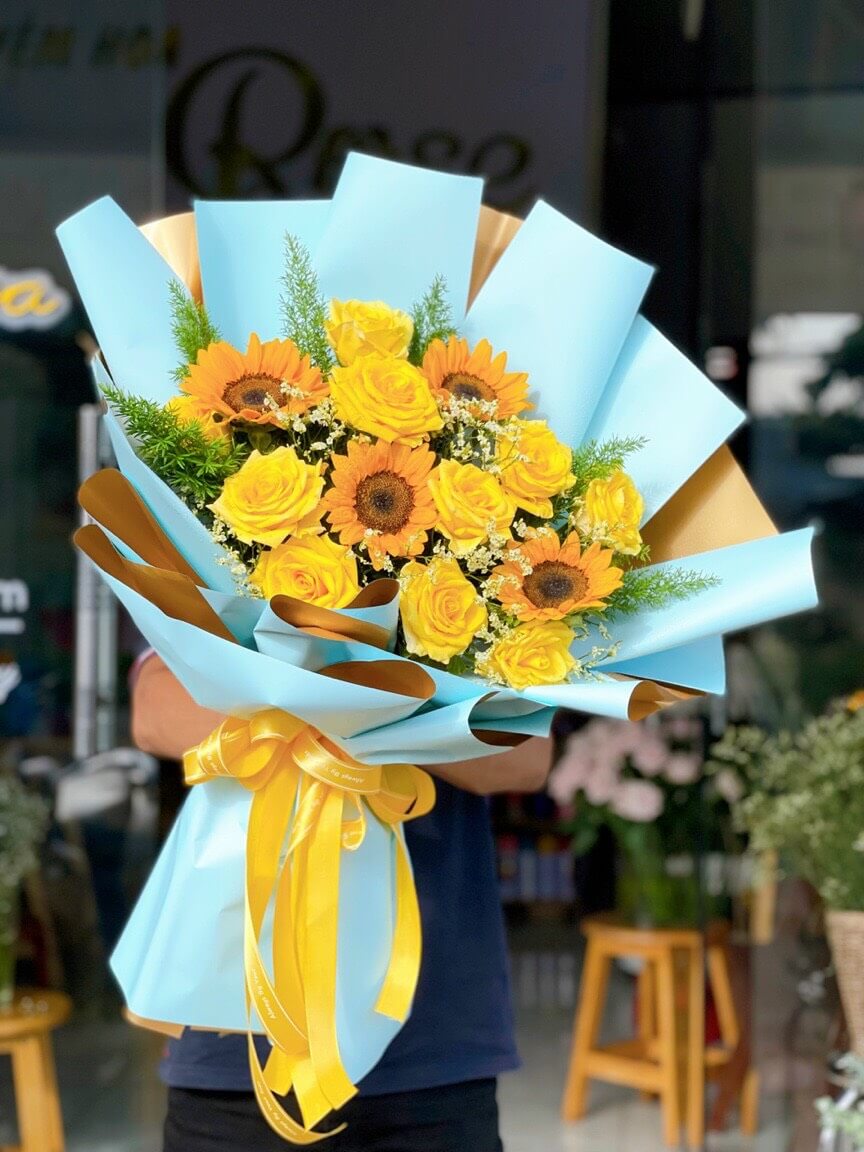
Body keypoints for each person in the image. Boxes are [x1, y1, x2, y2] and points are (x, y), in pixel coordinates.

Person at [131, 652, 554, 1152]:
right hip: (237, 1026)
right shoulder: (222, 595)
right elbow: (155, 712)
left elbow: (526, 758)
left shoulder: (491, 605)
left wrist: (323, 707)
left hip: (435, 1025)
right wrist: (381, 711)